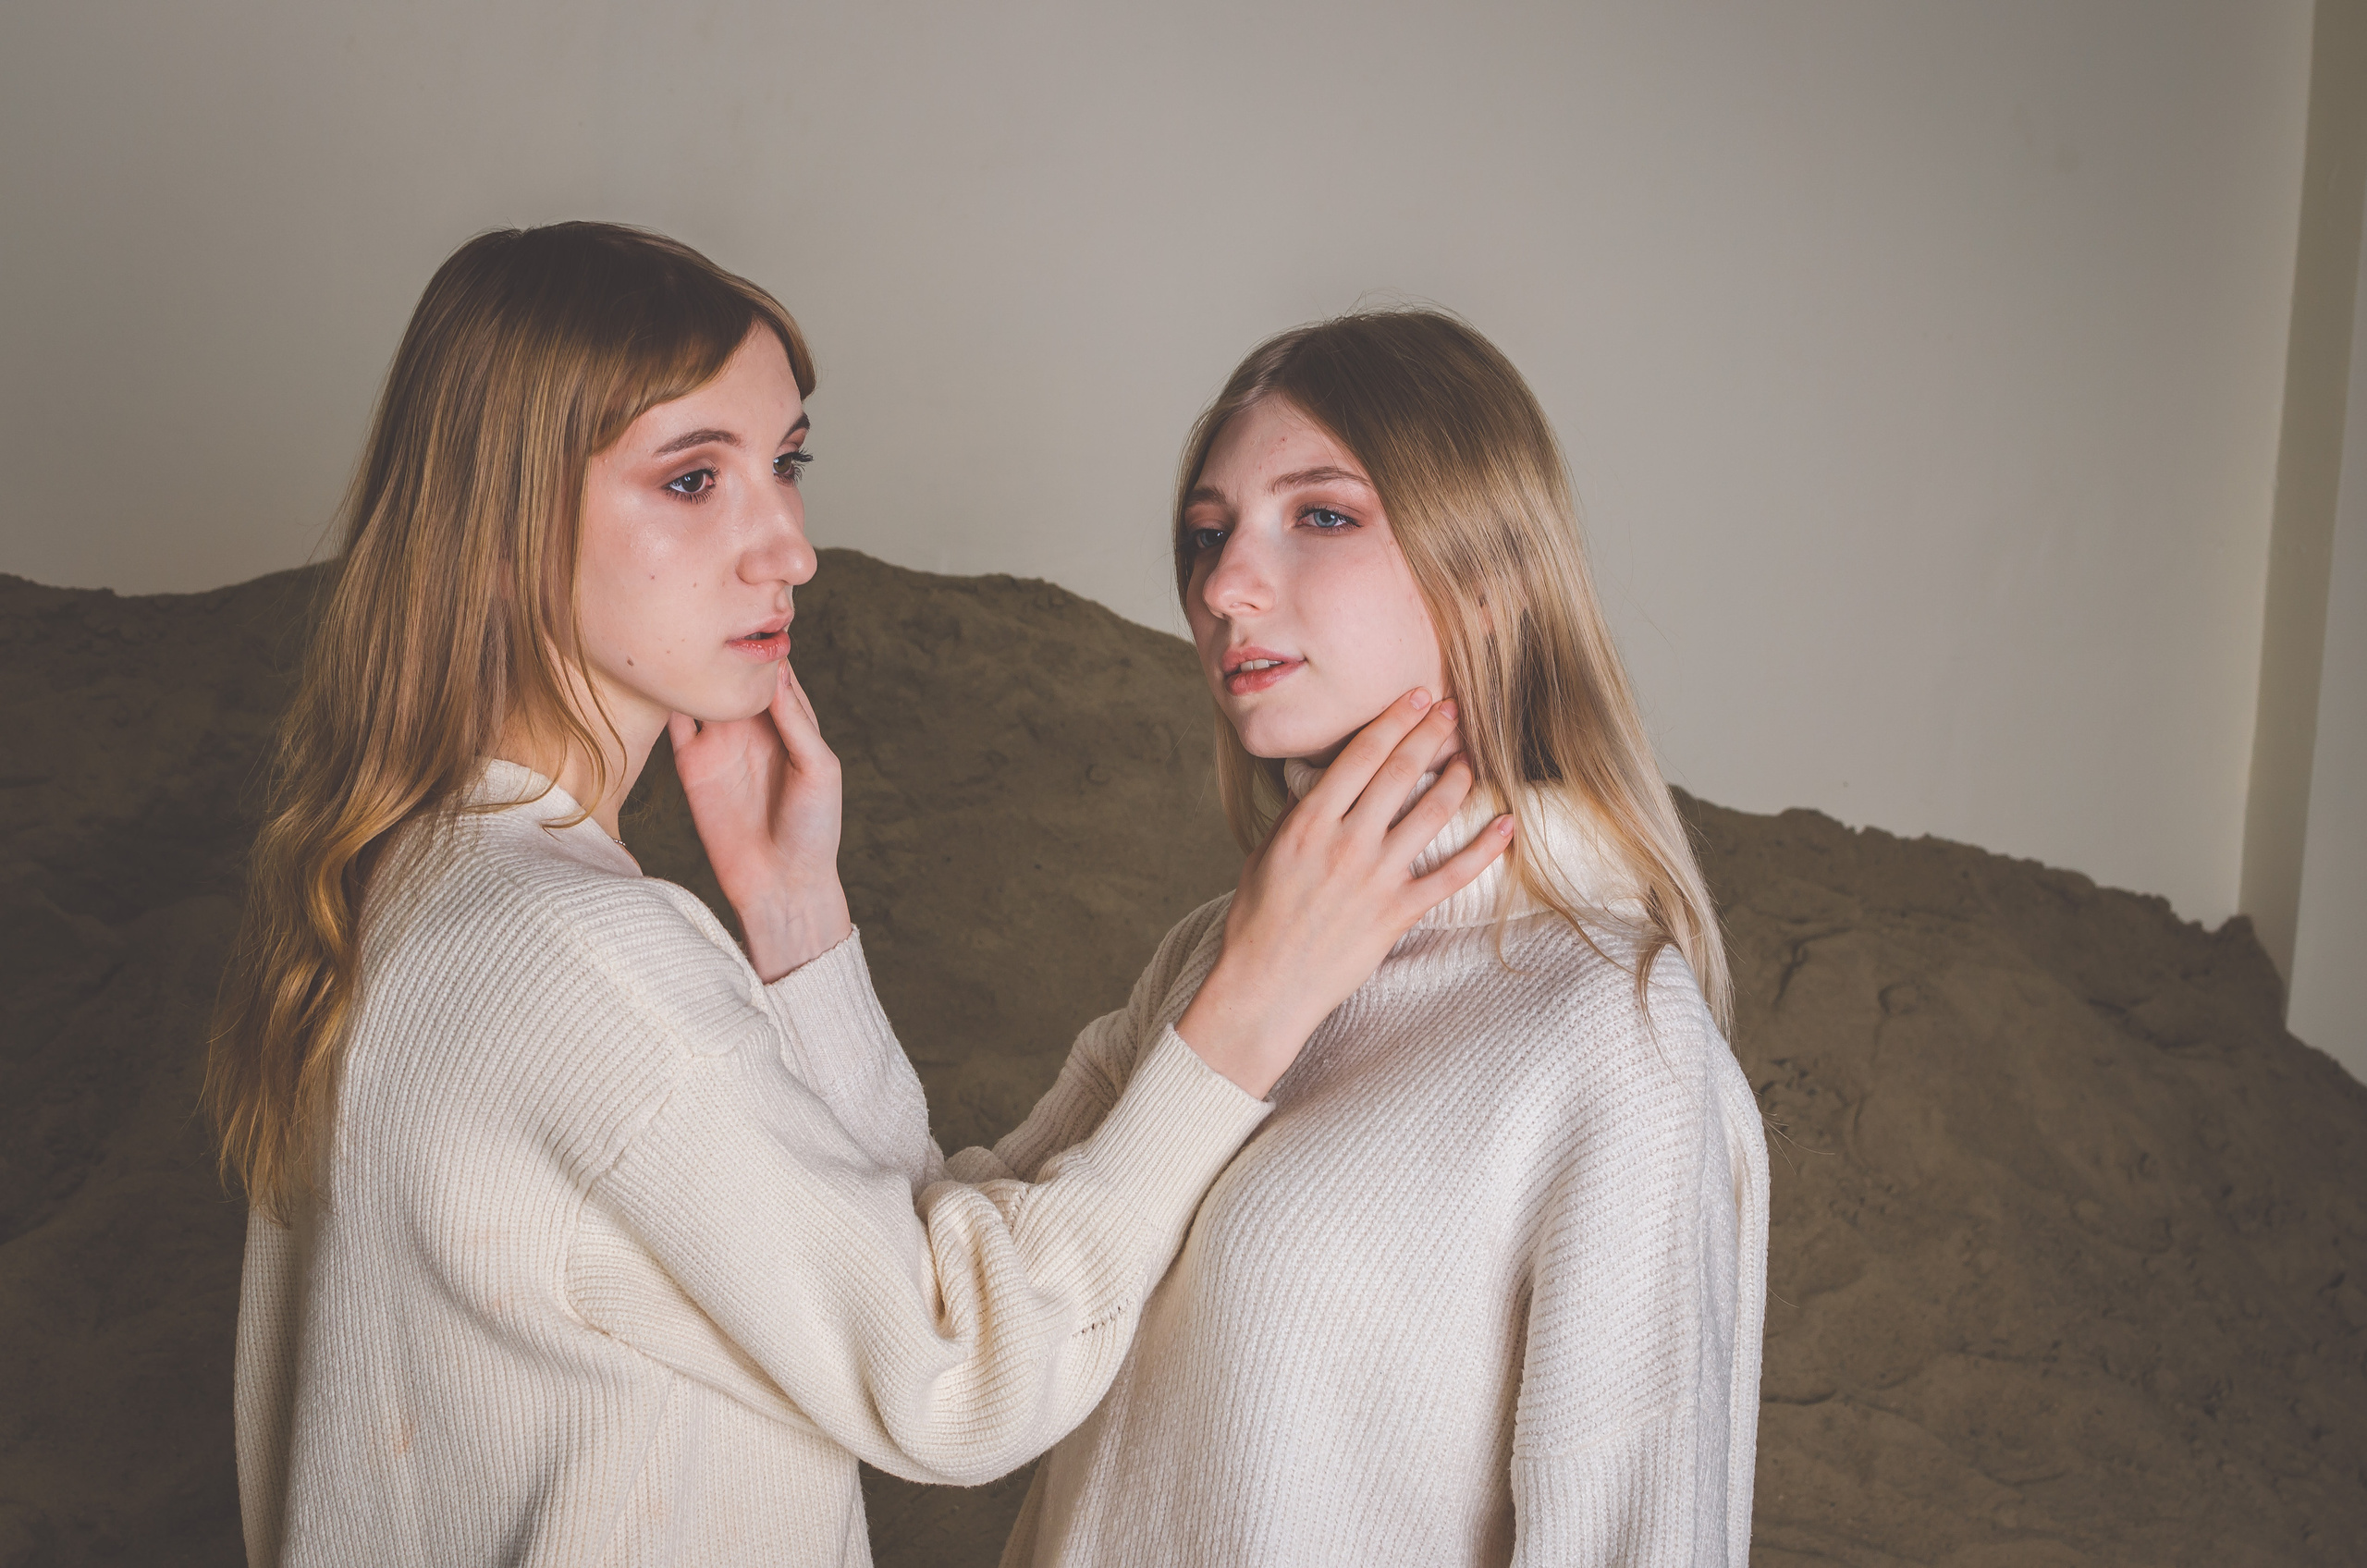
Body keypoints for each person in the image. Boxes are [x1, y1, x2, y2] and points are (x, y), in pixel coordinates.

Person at [203, 224, 1510, 1566]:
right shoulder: (578, 956)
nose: (788, 548)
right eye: (694, 478)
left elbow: (882, 1259)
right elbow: (960, 1378)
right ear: (496, 523)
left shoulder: (412, 894)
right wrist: (1254, 1004)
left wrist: (796, 926)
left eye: (786, 466)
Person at [977, 310, 1772, 1567]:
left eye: (1323, 515)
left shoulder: (1613, 1031)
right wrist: (803, 925)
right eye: (1205, 535)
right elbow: (954, 1326)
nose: (1225, 585)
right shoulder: (1216, 958)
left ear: (1491, 575)